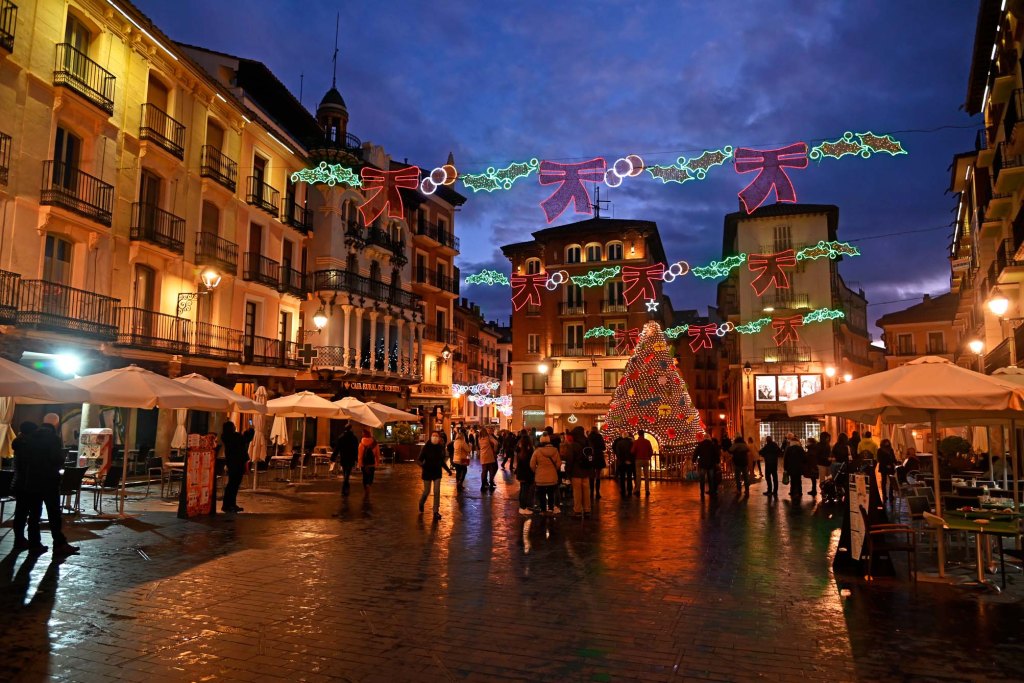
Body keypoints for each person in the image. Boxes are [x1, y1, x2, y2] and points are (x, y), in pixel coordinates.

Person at [220, 420, 254, 513]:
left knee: (232, 484)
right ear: (231, 428)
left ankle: (229, 504)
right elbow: (246, 439)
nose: (235, 427)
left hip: (231, 463)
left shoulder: (226, 437)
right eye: (234, 426)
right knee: (234, 485)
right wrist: (250, 428)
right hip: (237, 463)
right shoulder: (235, 437)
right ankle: (229, 505)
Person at [417, 431, 451, 520]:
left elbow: (441, 462)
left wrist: (448, 470)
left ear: (439, 438)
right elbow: (419, 460)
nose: (435, 437)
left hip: (437, 473)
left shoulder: (440, 448)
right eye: (433, 436)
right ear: (430, 437)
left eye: (436, 436)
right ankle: (421, 503)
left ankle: (435, 511)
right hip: (427, 473)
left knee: (437, 491)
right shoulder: (426, 447)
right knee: (426, 491)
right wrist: (423, 465)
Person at [562, 427, 591, 517]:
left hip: (576, 471)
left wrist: (568, 472)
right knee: (586, 491)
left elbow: (570, 459)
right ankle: (587, 510)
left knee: (577, 492)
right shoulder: (588, 443)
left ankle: (577, 510)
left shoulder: (573, 445)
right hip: (586, 471)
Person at [530, 434, 561, 515]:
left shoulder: (537, 451)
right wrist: (554, 470)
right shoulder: (555, 450)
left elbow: (532, 464)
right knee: (551, 493)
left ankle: (543, 510)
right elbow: (559, 464)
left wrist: (536, 471)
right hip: (552, 476)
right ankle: (551, 509)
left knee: (542, 494)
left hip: (540, 477)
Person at [333, 424, 360, 496]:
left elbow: (337, 449)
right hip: (351, 458)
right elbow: (356, 450)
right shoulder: (354, 438)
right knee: (348, 472)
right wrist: (357, 459)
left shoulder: (341, 438)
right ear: (351, 429)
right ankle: (346, 484)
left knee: (345, 471)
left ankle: (345, 485)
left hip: (344, 457)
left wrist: (333, 458)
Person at [515, 432, 535, 515]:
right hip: (527, 473)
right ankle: (523, 507)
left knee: (522, 489)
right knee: (525, 490)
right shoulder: (529, 452)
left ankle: (522, 506)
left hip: (520, 472)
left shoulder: (519, 451)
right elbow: (531, 464)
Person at [358, 429, 381, 493]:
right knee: (371, 476)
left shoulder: (361, 444)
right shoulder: (375, 444)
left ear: (363, 434)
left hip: (364, 464)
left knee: (364, 477)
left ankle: (366, 488)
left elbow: (360, 456)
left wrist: (360, 464)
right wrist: (377, 462)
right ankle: (369, 485)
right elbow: (377, 454)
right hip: (372, 464)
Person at [632, 430, 654, 496]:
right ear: (643, 434)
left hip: (638, 460)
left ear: (638, 434)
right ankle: (647, 490)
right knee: (646, 476)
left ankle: (638, 490)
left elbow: (632, 451)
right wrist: (648, 457)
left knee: (638, 476)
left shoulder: (636, 442)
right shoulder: (647, 442)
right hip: (646, 460)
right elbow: (651, 451)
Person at [612, 433, 635, 497]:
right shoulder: (631, 443)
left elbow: (618, 452)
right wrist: (630, 459)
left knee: (622, 477)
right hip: (629, 462)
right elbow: (633, 452)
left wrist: (622, 459)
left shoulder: (619, 443)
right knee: (629, 476)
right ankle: (629, 490)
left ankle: (623, 490)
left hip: (621, 462)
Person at [587, 426, 606, 500]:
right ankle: (597, 492)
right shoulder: (599, 436)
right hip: (598, 456)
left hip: (591, 456)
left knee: (591, 475)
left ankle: (591, 492)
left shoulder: (589, 437)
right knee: (598, 475)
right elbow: (603, 447)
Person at [876, 438, 897, 502]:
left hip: (890, 467)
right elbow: (879, 459)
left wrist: (896, 463)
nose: (887, 444)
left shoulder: (891, 450)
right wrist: (886, 465)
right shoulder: (880, 450)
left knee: (891, 482)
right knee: (884, 482)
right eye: (885, 442)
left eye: (887, 442)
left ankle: (891, 495)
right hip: (884, 467)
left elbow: (893, 458)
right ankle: (884, 495)